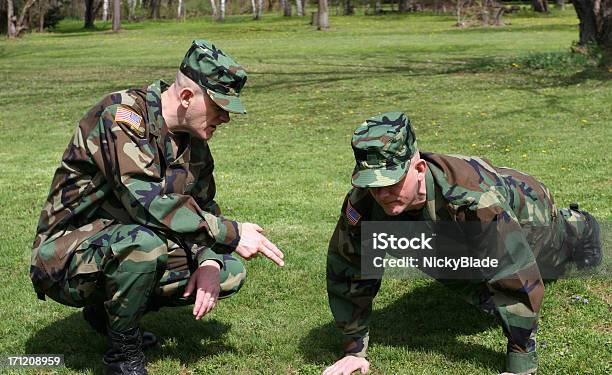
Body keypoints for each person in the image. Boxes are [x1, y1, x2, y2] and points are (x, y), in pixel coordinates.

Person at [30, 40, 284, 375]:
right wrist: (231, 233)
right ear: (186, 97)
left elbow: (202, 206)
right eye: (219, 106)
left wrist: (208, 258)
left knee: (227, 271)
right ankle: (122, 357)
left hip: (121, 242)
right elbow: (146, 202)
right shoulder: (122, 116)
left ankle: (107, 312)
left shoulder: (195, 146)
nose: (225, 117)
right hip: (65, 255)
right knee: (144, 246)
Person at [323, 112, 602, 375]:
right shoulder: (363, 202)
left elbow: (514, 273)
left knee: (557, 252)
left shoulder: (474, 201)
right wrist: (354, 350)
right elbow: (348, 266)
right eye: (372, 184)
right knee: (473, 281)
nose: (381, 194)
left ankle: (580, 223)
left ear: (419, 169)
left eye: (391, 182)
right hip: (462, 221)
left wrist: (520, 362)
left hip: (530, 213)